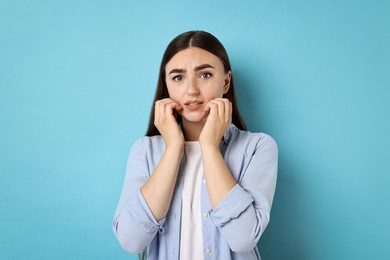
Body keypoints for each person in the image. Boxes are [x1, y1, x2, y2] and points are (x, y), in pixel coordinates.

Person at [112, 30, 278, 260]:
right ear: (167, 85)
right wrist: (173, 148)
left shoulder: (258, 147)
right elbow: (131, 241)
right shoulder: (144, 151)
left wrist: (209, 146)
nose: (191, 90)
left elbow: (242, 239)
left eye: (205, 75)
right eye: (178, 77)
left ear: (226, 81)